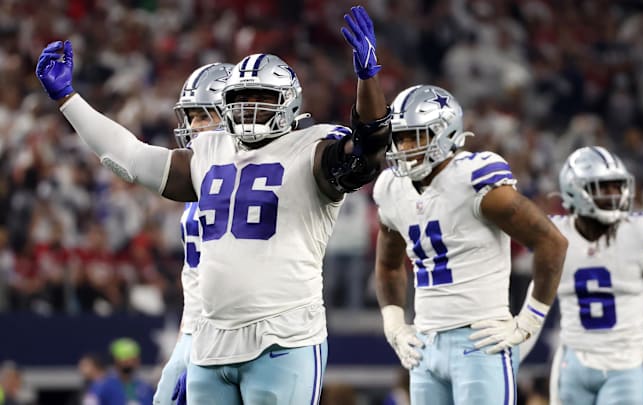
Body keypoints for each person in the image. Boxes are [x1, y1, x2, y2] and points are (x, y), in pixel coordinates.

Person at [35, 5, 390, 404]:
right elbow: (131, 159)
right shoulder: (210, 150)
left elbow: (366, 151)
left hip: (283, 338)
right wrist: (69, 99)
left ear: (289, 104)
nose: (250, 107)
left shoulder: (312, 149)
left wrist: (367, 81)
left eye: (262, 97)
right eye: (241, 98)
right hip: (210, 342)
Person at [373, 84, 568, 405]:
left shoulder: (474, 179)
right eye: (400, 137)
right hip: (424, 344)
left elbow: (552, 243)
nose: (405, 146)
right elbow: (388, 264)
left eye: (415, 136)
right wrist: (394, 323)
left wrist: (530, 319)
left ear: (444, 133)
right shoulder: (392, 189)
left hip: (479, 339)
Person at [519, 146, 643, 404]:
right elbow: (531, 318)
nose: (616, 194)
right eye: (603, 187)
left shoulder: (641, 234)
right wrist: (506, 367)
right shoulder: (555, 238)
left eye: (618, 186)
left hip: (625, 368)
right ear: (574, 189)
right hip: (572, 365)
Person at [152, 62, 234, 405]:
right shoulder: (198, 176)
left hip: (235, 328)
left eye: (204, 116)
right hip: (196, 324)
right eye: (191, 118)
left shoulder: (248, 176)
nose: (194, 127)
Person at [109, 338, 154, 405]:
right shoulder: (104, 387)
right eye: (126, 359)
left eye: (133, 359)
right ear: (116, 361)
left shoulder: (146, 388)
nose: (130, 363)